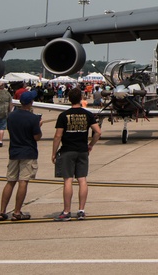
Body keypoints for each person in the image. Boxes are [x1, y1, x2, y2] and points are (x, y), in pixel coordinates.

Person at [51, 86, 101, 220]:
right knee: (82, 179)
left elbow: (57, 136)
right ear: (81, 99)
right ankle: (81, 210)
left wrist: (54, 152)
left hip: (67, 150)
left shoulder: (63, 115)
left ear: (69, 99)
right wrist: (90, 145)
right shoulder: (87, 114)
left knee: (68, 180)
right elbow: (98, 132)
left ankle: (67, 212)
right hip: (82, 150)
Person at [0, 90, 42, 221]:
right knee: (23, 181)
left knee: (10, 181)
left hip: (14, 151)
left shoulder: (11, 116)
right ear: (31, 103)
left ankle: (2, 211)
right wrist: (38, 126)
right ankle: (17, 211)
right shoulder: (33, 118)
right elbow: (37, 137)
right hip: (28, 151)